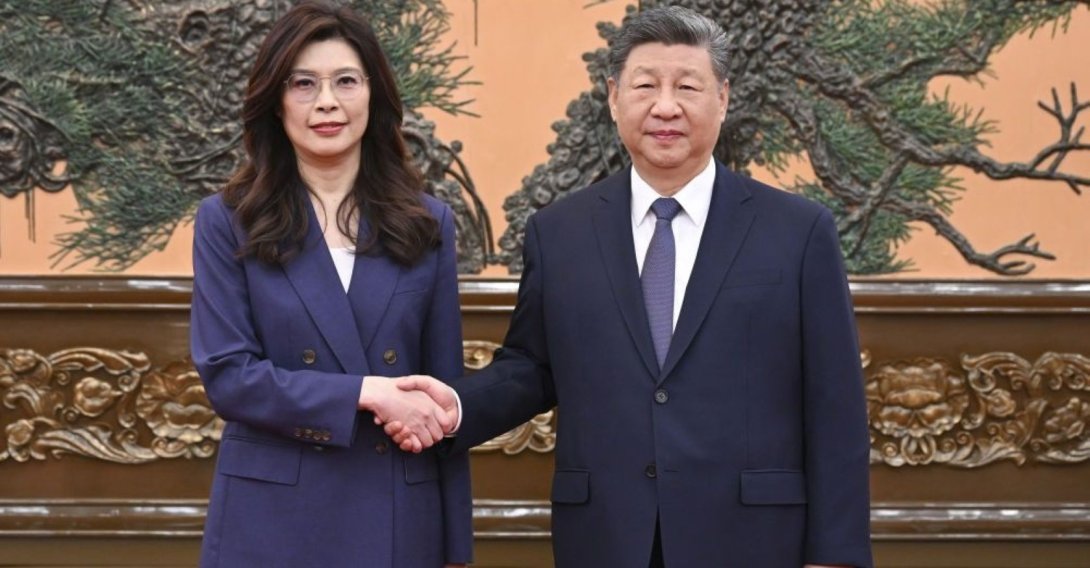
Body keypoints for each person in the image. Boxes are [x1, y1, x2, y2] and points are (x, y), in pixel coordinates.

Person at [388, 6, 872, 568]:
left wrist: (835, 557)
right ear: (615, 97)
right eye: (646, 85)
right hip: (607, 535)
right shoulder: (560, 231)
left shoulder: (798, 230)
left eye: (688, 86)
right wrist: (452, 406)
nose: (666, 106)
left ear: (723, 98)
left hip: (753, 538)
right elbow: (532, 367)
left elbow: (835, 406)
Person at [189, 2, 471, 566]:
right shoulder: (227, 220)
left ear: (374, 95)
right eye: (303, 84)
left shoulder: (428, 222)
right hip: (271, 519)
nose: (326, 102)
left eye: (345, 80)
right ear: (275, 101)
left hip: (396, 512)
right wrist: (369, 392)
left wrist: (454, 544)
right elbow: (229, 376)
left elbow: (443, 390)